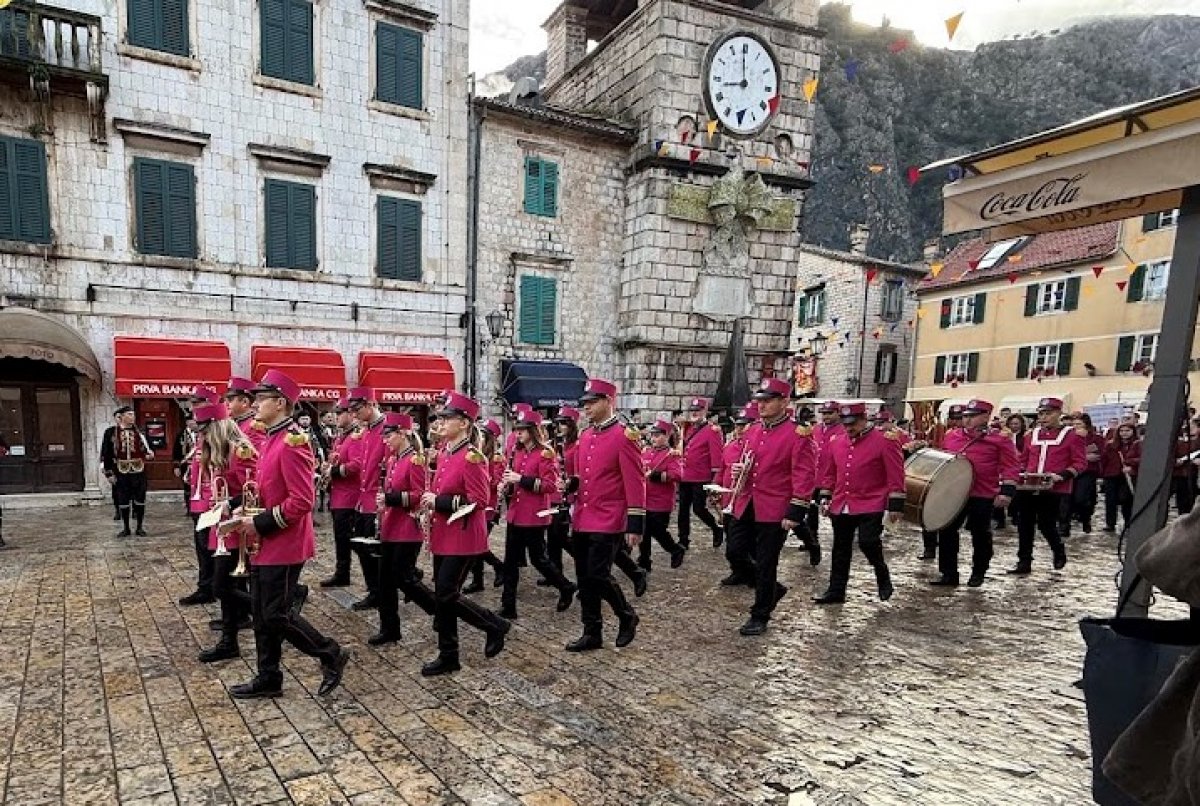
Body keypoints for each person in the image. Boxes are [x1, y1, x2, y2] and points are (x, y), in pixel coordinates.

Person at [228, 369, 349, 699]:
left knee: (275, 614)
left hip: (285, 541)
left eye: (260, 399)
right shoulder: (272, 437)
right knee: (262, 613)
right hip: (265, 540)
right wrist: (244, 507)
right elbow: (267, 489)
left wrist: (262, 522)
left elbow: (302, 501)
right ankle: (268, 677)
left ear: (279, 403)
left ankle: (330, 653)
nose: (254, 404)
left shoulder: (293, 441)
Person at [418, 393, 511, 676]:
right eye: (441, 418)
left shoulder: (473, 457)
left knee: (446, 593)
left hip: (464, 534)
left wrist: (439, 502)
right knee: (443, 596)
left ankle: (493, 624)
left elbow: (479, 500)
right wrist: (429, 505)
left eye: (447, 418)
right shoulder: (446, 453)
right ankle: (449, 655)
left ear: (464, 423)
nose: (441, 422)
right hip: (444, 532)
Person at [726, 378, 815, 635]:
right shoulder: (754, 429)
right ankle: (772, 589)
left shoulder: (798, 434)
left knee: (766, 562)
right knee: (735, 551)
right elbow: (750, 460)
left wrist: (796, 509)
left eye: (768, 400)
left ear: (784, 402)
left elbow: (804, 474)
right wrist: (741, 469)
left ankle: (760, 614)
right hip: (748, 500)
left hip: (775, 506)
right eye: (760, 400)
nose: (761, 405)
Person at [563, 378, 645, 652]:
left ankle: (626, 615)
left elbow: (635, 481)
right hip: (584, 516)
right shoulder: (585, 436)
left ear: (609, 402)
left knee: (598, 575)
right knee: (584, 579)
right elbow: (585, 475)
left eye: (592, 402)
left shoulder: (624, 436)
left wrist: (635, 523)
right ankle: (592, 632)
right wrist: (572, 484)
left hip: (609, 517)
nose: (586, 407)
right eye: (584, 403)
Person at [813, 402, 904, 605]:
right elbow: (830, 473)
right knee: (840, 549)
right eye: (845, 424)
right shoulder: (836, 441)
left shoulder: (884, 441)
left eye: (853, 424)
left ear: (864, 420)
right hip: (842, 501)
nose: (849, 428)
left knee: (868, 542)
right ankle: (836, 590)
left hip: (871, 501)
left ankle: (882, 574)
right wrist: (826, 496)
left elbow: (895, 473)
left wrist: (896, 505)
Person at [931, 399, 1020, 588]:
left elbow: (1011, 466)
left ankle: (979, 571)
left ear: (986, 417)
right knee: (946, 531)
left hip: (983, 493)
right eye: (965, 416)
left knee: (980, 534)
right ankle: (948, 574)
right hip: (955, 492)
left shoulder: (1000, 439)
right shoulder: (951, 436)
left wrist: (1006, 492)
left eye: (973, 416)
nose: (967, 420)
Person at [498, 409, 577, 619]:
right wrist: (506, 487)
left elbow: (550, 486)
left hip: (534, 515)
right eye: (517, 430)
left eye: (522, 430)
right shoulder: (518, 452)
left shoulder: (545, 453)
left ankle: (565, 586)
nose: (518, 434)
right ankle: (508, 605)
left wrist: (520, 479)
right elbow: (514, 483)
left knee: (538, 559)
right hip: (516, 513)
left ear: (533, 431)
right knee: (510, 561)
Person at [194, 402, 257, 663]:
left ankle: (271, 610)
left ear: (217, 428)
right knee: (223, 587)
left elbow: (253, 489)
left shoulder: (239, 451)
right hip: (222, 527)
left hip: (237, 528)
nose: (202, 437)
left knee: (222, 586)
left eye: (205, 431)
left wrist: (228, 503)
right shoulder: (219, 451)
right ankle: (229, 641)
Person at [370, 412, 430, 646]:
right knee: (385, 581)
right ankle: (389, 628)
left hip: (407, 528)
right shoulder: (393, 460)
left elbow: (418, 495)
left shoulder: (415, 460)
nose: (385, 440)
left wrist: (390, 499)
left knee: (404, 579)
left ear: (402, 433)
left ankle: (436, 607)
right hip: (391, 526)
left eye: (388, 435)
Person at [1008, 398, 1086, 575]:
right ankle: (1024, 561)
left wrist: (1062, 475)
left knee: (1046, 524)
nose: (1043, 417)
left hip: (1053, 488)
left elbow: (1080, 463)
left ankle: (1058, 550)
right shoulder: (1031, 436)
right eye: (1041, 414)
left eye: (1048, 413)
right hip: (1028, 486)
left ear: (1059, 414)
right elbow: (1023, 460)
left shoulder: (1072, 436)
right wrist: (1019, 472)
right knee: (1024, 523)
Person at [347, 387, 386, 611]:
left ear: (371, 404)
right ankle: (374, 589)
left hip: (376, 500)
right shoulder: (367, 430)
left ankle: (378, 591)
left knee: (372, 551)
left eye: (357, 409)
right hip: (364, 498)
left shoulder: (386, 428)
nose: (354, 415)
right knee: (361, 547)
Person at [318, 397, 363, 589]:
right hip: (338, 495)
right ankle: (341, 572)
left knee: (349, 539)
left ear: (350, 415)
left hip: (349, 496)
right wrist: (326, 467)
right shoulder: (340, 437)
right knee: (340, 538)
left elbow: (356, 465)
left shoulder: (355, 436)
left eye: (339, 413)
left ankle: (346, 572)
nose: (335, 417)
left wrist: (333, 471)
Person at [463, 419, 506, 594]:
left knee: (479, 545)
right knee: (476, 544)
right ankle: (478, 580)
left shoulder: (496, 457)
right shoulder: (478, 454)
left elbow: (496, 481)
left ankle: (498, 566)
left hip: (488, 506)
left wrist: (480, 480)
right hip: (478, 504)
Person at [677, 397, 725, 549]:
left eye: (698, 410)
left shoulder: (712, 431)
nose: (694, 413)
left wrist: (714, 481)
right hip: (685, 476)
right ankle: (683, 539)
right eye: (692, 410)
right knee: (682, 509)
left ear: (705, 411)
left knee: (699, 509)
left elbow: (717, 458)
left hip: (701, 477)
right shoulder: (687, 428)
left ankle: (716, 528)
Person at [641, 419, 687, 572]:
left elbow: (678, 475)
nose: (653, 438)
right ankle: (644, 560)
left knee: (658, 530)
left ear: (667, 436)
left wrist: (657, 476)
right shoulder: (646, 452)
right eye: (652, 435)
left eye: (657, 435)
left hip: (661, 501)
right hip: (646, 499)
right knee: (644, 532)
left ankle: (675, 549)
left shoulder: (671, 455)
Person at [100, 406, 154, 537]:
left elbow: (148, 447)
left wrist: (150, 454)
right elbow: (105, 453)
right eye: (129, 414)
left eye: (133, 414)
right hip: (121, 470)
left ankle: (140, 527)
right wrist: (108, 473)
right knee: (123, 499)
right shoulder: (111, 432)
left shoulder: (139, 431)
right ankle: (126, 527)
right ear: (121, 416)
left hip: (138, 469)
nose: (132, 417)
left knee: (140, 498)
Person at [806, 400, 843, 560]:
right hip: (814, 477)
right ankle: (812, 538)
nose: (826, 417)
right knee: (810, 511)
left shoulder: (842, 430)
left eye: (830, 413)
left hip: (832, 479)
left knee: (832, 511)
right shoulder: (815, 429)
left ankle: (840, 541)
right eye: (824, 414)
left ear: (838, 413)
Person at [1063, 413, 1104, 536]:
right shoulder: (1067, 438)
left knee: (1081, 499)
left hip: (1087, 472)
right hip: (1070, 471)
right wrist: (1084, 457)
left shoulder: (1096, 438)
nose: (1076, 427)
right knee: (1066, 499)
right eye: (1074, 424)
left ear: (1086, 425)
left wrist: (1083, 458)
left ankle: (1086, 518)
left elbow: (1099, 455)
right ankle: (1064, 527)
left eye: (1079, 424)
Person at [1101, 423, 1140, 533]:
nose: (1124, 433)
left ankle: (1128, 521)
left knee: (1126, 499)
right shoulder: (1111, 445)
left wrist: (1131, 465)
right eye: (1122, 431)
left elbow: (1141, 458)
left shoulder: (1137, 444)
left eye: (1127, 431)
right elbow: (1104, 459)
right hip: (1111, 475)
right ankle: (1110, 523)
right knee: (1110, 500)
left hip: (1128, 476)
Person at [995, 412, 1027, 530]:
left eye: (1016, 424)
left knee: (1015, 495)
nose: (1014, 426)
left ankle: (1015, 516)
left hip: (1020, 468)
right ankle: (1000, 520)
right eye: (1012, 423)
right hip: (1002, 468)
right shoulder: (1001, 436)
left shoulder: (1025, 437)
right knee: (999, 493)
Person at [172, 415, 199, 516]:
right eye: (191, 422)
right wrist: (176, 466)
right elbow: (176, 451)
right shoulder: (181, 435)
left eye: (194, 421)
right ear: (187, 423)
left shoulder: (201, 433)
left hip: (199, 464)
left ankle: (197, 506)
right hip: (186, 464)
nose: (193, 424)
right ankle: (189, 508)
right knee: (187, 487)